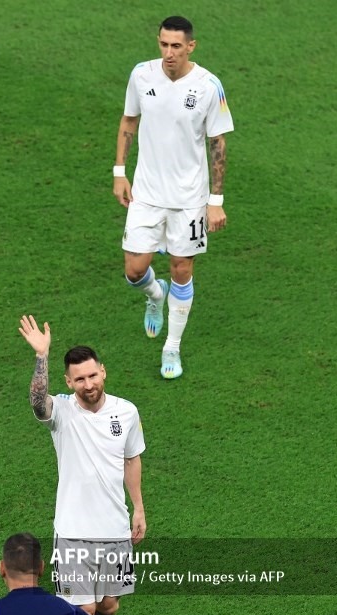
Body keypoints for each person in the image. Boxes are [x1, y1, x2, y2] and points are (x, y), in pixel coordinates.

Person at [18, 315, 145, 615]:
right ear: (69, 383)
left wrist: (138, 507)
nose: (88, 384)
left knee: (109, 604)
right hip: (73, 531)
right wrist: (42, 357)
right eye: (79, 379)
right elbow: (38, 402)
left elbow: (131, 458)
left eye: (92, 375)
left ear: (102, 371)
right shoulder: (62, 413)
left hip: (114, 530)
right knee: (85, 609)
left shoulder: (126, 413)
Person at [113, 15, 234, 379]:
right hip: (147, 193)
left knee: (182, 269)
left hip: (188, 199)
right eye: (164, 44)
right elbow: (128, 121)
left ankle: (172, 347)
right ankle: (154, 294)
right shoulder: (141, 75)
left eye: (176, 46)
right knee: (134, 270)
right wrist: (120, 172)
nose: (169, 53)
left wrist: (216, 200)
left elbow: (218, 143)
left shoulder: (209, 86)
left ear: (190, 46)